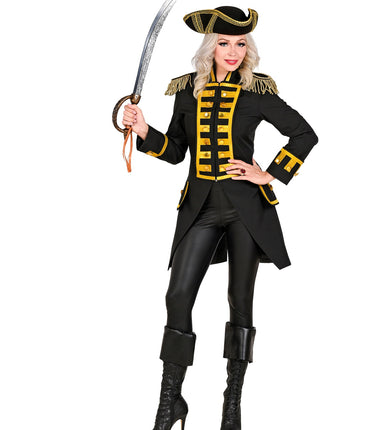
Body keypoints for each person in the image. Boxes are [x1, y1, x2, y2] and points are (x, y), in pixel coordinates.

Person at [122, 6, 318, 430]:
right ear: (210, 46)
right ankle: (170, 402)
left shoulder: (257, 91)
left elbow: (305, 134)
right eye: (225, 43)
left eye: (241, 43)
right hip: (201, 207)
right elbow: (177, 152)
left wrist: (269, 173)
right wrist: (144, 132)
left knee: (240, 301)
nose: (233, 51)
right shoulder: (186, 89)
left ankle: (232, 406)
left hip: (247, 209)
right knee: (178, 296)